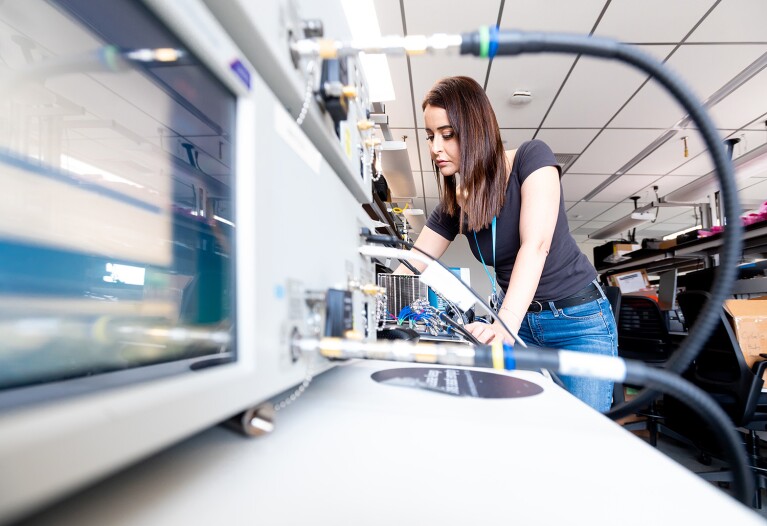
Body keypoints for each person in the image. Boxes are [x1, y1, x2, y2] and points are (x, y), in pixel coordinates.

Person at [399, 76, 617, 412]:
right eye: (430, 137)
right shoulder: (456, 202)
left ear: (474, 129)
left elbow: (536, 246)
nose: (435, 148)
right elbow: (415, 261)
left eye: (447, 134)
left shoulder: (532, 158)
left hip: (577, 322)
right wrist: (373, 299)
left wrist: (503, 326)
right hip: (520, 324)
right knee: (522, 428)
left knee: (579, 439)